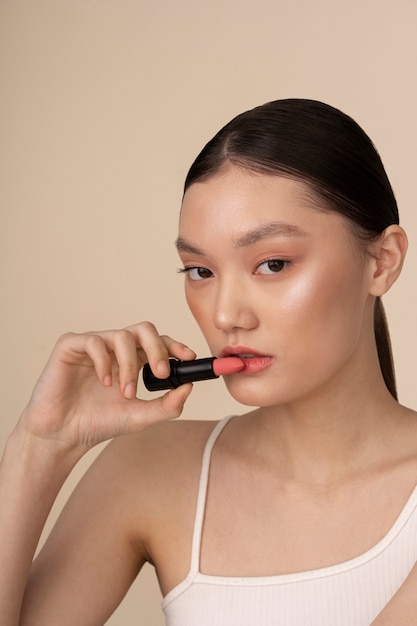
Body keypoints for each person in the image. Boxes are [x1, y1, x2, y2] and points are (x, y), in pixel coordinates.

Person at [1, 98, 417, 625]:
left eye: (271, 263)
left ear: (382, 263)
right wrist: (38, 446)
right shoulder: (148, 469)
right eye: (199, 271)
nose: (225, 315)